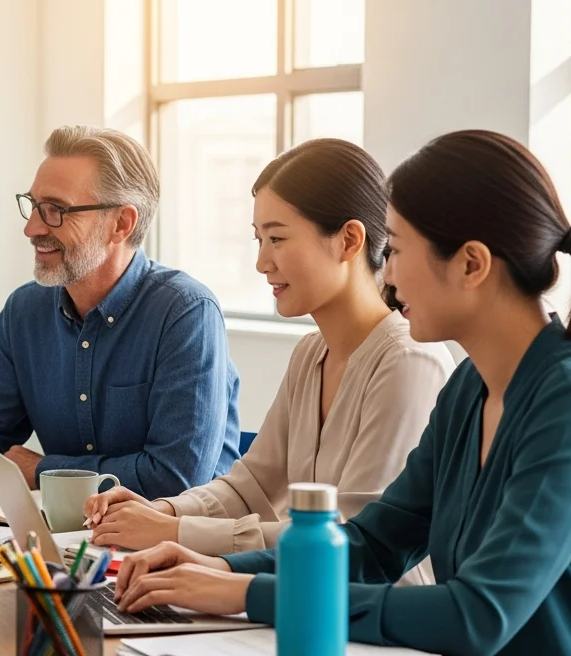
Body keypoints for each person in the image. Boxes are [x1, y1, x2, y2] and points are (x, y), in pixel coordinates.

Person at [113, 130, 571, 656]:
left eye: (402, 250)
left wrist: (246, 592)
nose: (389, 274)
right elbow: (371, 542)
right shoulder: (470, 386)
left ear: (471, 264)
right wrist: (215, 567)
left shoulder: (568, 402)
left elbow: (478, 612)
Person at [83, 140, 452, 582]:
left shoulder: (408, 362)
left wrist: (175, 530)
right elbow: (251, 487)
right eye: (259, 240)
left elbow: (350, 538)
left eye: (277, 238)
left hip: (377, 622)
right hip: (297, 595)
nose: (261, 262)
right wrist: (159, 509)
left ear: (349, 240)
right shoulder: (310, 354)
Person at [0, 125, 240, 503]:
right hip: (70, 537)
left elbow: (177, 478)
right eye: (32, 206)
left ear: (121, 224)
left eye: (56, 211)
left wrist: (41, 470)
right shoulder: (24, 311)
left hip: (178, 548)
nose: (32, 228)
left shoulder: (186, 314)